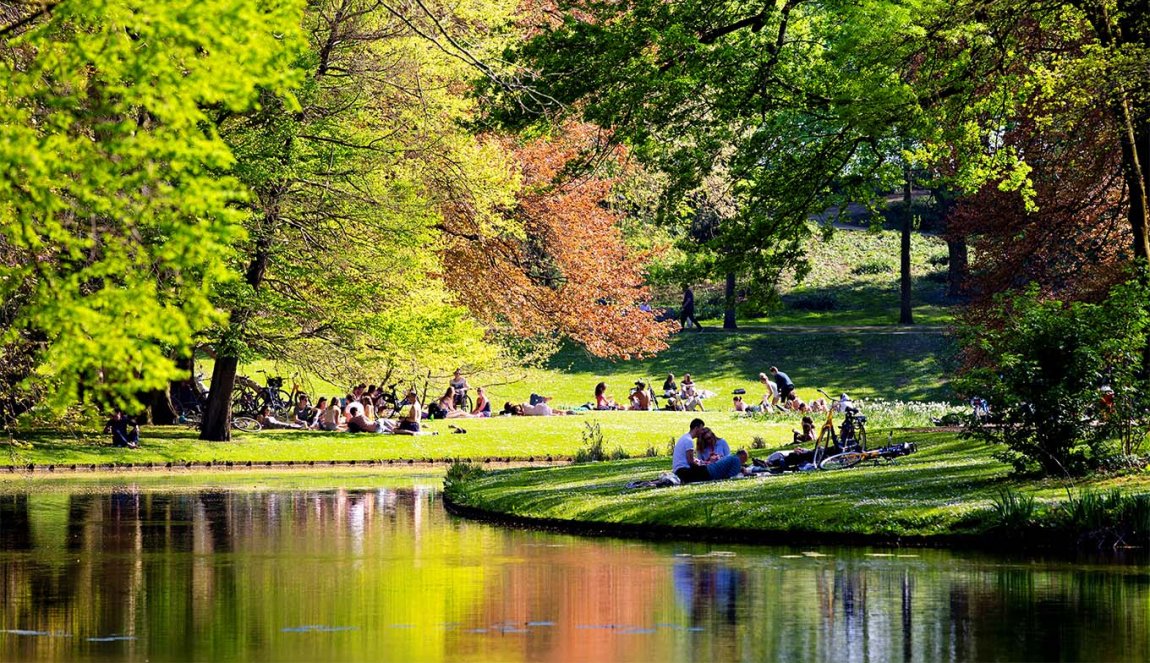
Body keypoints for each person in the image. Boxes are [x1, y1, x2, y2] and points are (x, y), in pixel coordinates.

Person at [672, 418, 711, 483]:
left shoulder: (684, 437)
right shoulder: (688, 440)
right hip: (683, 471)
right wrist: (701, 465)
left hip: (678, 470)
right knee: (708, 471)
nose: (702, 432)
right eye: (701, 429)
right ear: (696, 428)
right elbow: (690, 462)